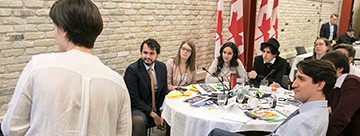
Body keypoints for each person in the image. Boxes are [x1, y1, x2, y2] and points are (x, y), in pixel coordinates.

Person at [1, 0, 132, 135]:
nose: (54, 33)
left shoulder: (38, 67)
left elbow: (11, 128)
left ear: (63, 30)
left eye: (55, 27)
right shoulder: (117, 83)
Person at [208, 59, 337, 136]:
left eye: (301, 79)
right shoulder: (319, 110)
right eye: (296, 78)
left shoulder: (304, 122)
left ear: (320, 85)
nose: (294, 84)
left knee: (215, 132)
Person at [124, 38, 168, 136]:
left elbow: (164, 92)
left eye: (151, 53)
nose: (147, 56)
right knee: (138, 121)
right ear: (141, 53)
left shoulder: (162, 67)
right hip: (138, 108)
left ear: (157, 55)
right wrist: (153, 115)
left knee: (173, 115)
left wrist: (163, 111)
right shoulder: (132, 70)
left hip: (157, 105)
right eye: (145, 52)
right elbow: (134, 99)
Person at [321, 51, 360, 136]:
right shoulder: (334, 85)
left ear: (340, 69)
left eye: (327, 68)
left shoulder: (352, 83)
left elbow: (341, 117)